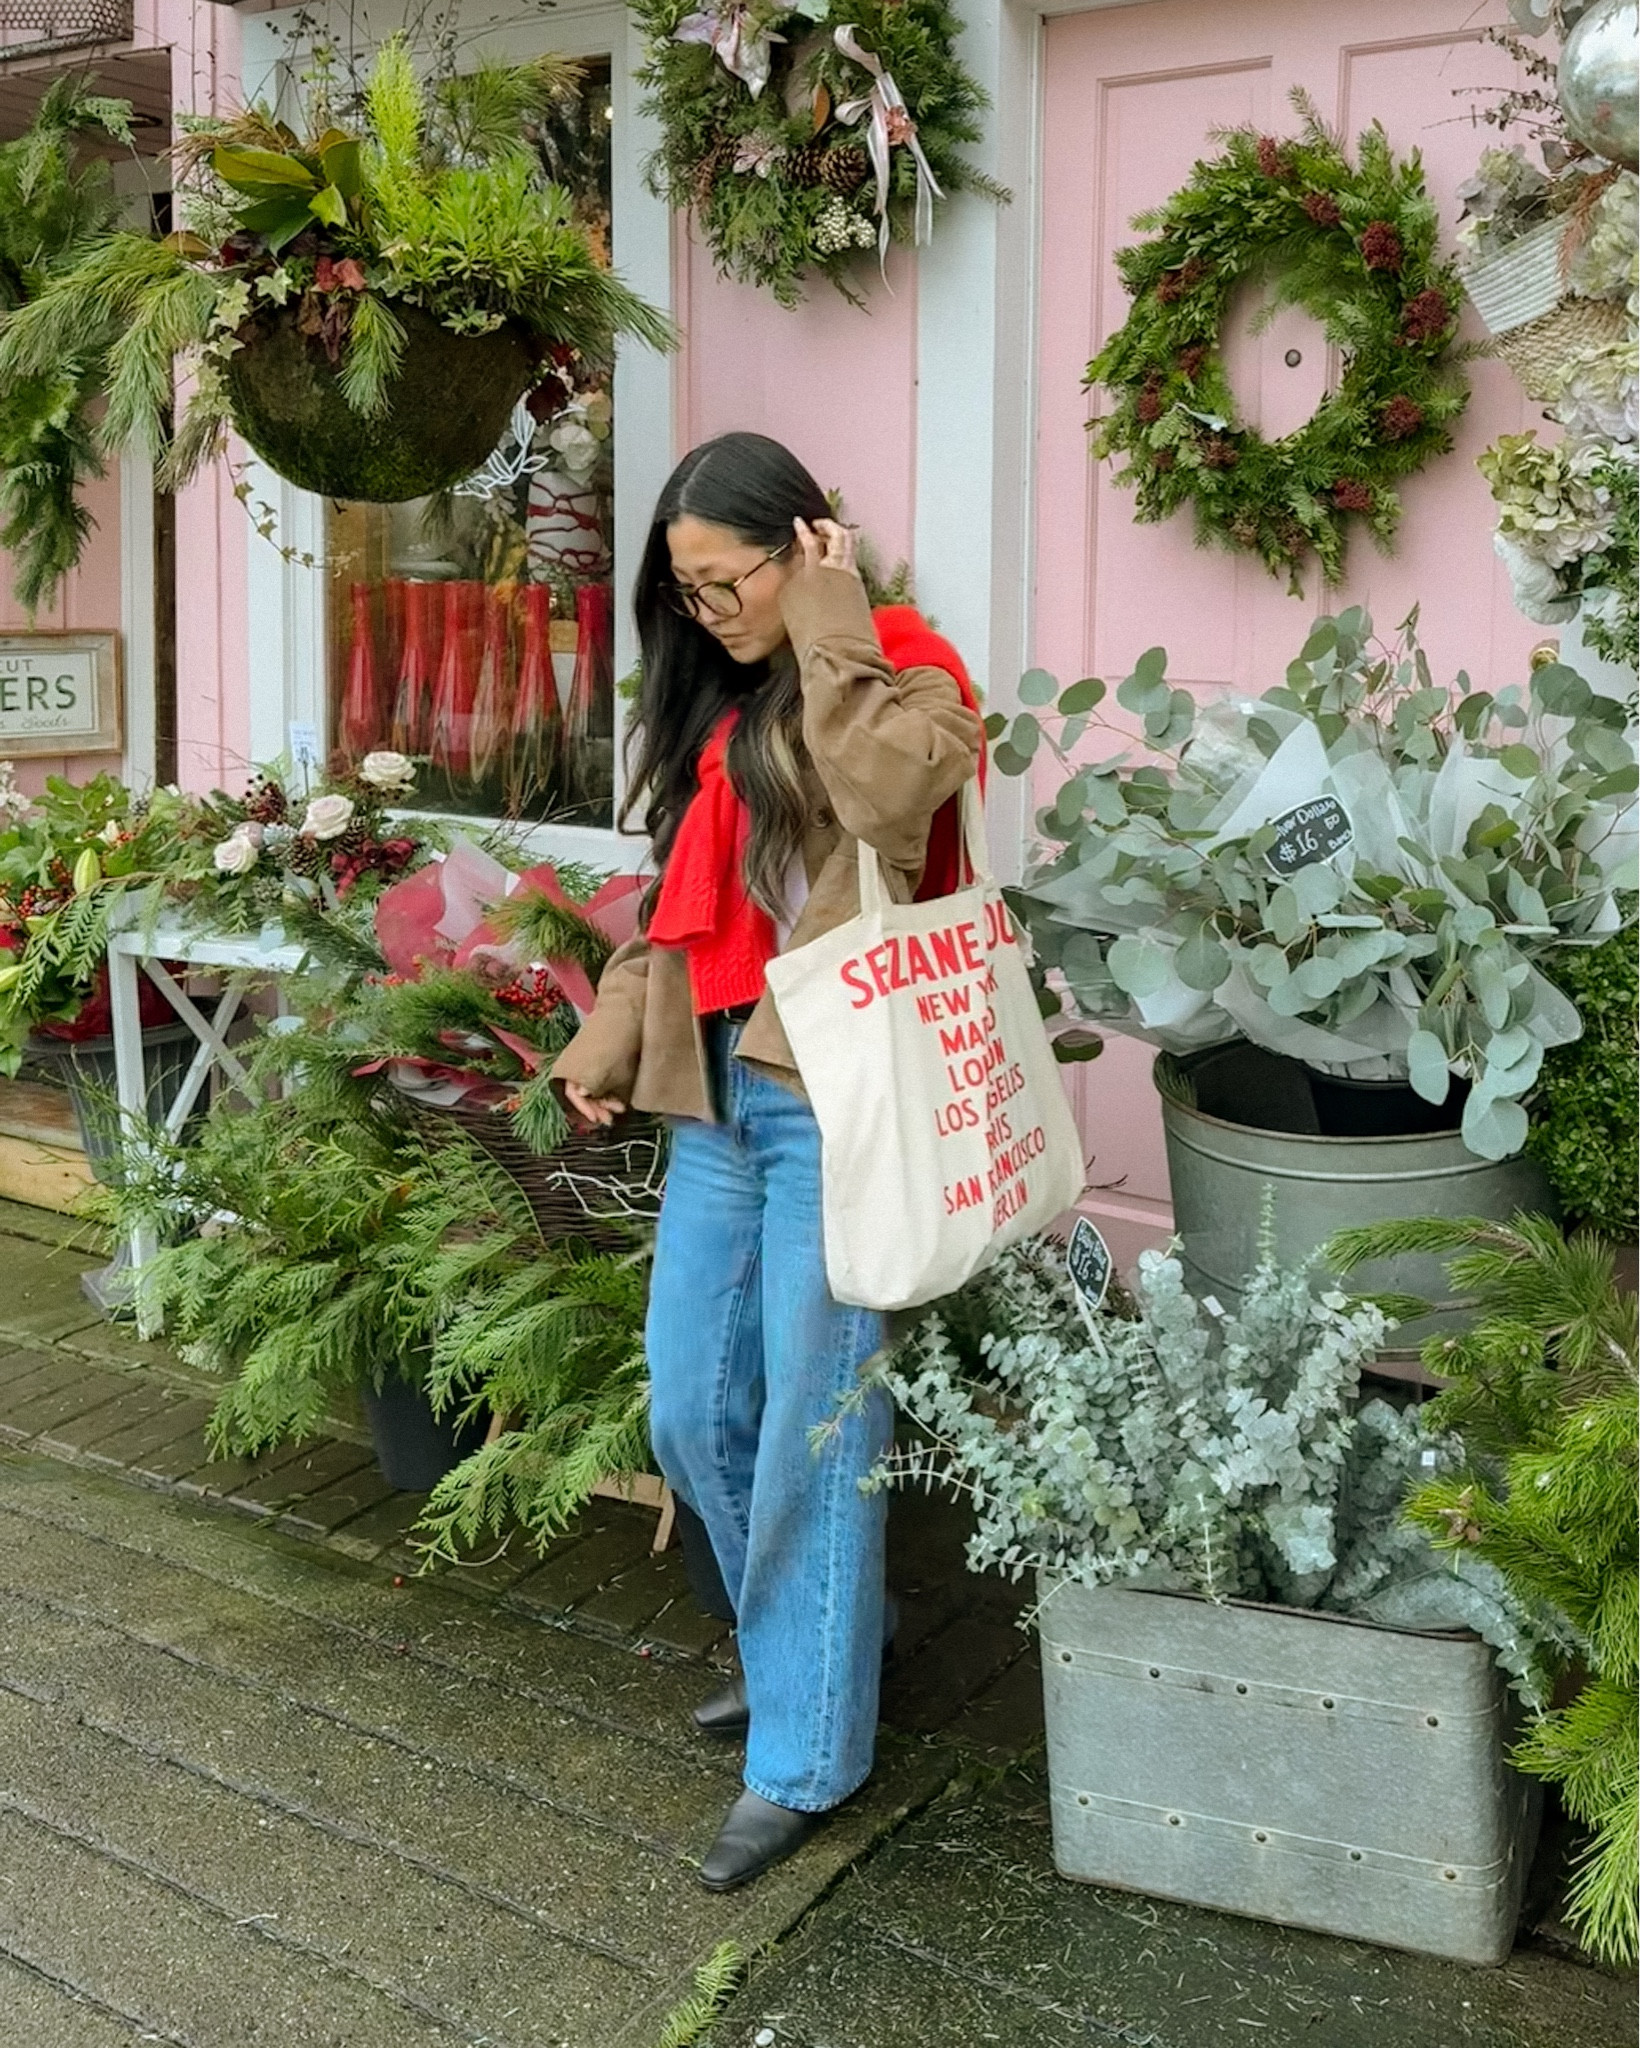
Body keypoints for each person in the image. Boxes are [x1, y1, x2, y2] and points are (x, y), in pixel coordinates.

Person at [551, 431, 982, 1890]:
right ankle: (817, 1645)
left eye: (725, 579)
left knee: (814, 1423)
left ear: (805, 543)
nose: (707, 611)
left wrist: (830, 629)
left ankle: (804, 1753)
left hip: (838, 1098)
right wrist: (614, 1034)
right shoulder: (722, 702)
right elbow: (689, 902)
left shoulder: (906, 668)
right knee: (690, 1410)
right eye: (683, 592)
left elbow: (885, 806)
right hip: (720, 1096)